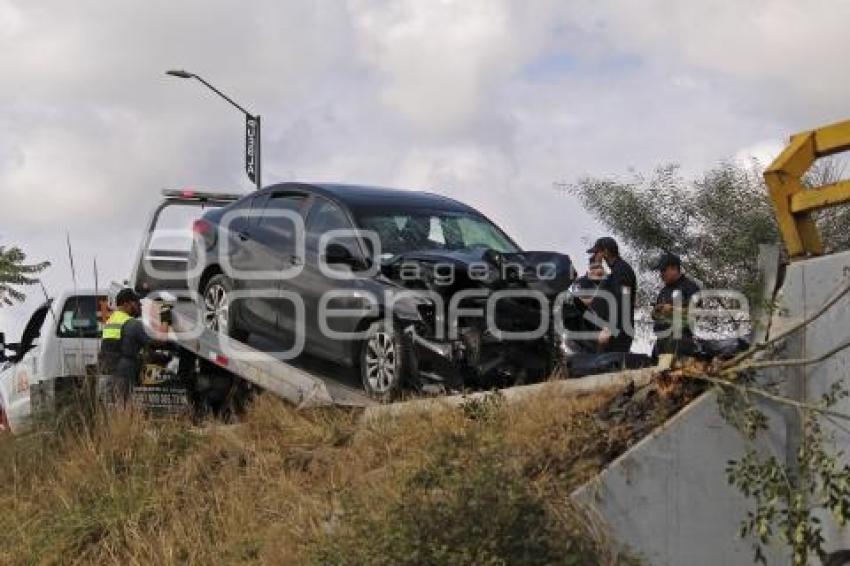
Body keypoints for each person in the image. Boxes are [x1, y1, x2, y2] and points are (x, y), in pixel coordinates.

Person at [99, 288, 154, 404]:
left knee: (108, 412)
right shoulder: (132, 324)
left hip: (106, 374)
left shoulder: (110, 322)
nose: (139, 305)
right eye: (136, 302)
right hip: (122, 377)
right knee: (123, 410)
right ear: (126, 303)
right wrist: (166, 316)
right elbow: (157, 342)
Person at [586, 237, 636, 353]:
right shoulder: (614, 272)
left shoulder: (622, 270)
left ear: (606, 252)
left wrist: (609, 329)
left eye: (597, 252)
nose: (596, 256)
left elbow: (622, 301)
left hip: (617, 333)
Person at [651, 252, 701, 357]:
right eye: (660, 271)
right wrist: (656, 311)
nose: (661, 274)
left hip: (681, 342)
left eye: (664, 270)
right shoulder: (663, 291)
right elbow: (656, 315)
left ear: (674, 268)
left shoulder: (690, 287)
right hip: (661, 342)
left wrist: (672, 309)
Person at [571, 260, 612, 352]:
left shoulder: (602, 283)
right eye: (597, 269)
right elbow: (578, 301)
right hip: (586, 319)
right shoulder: (582, 281)